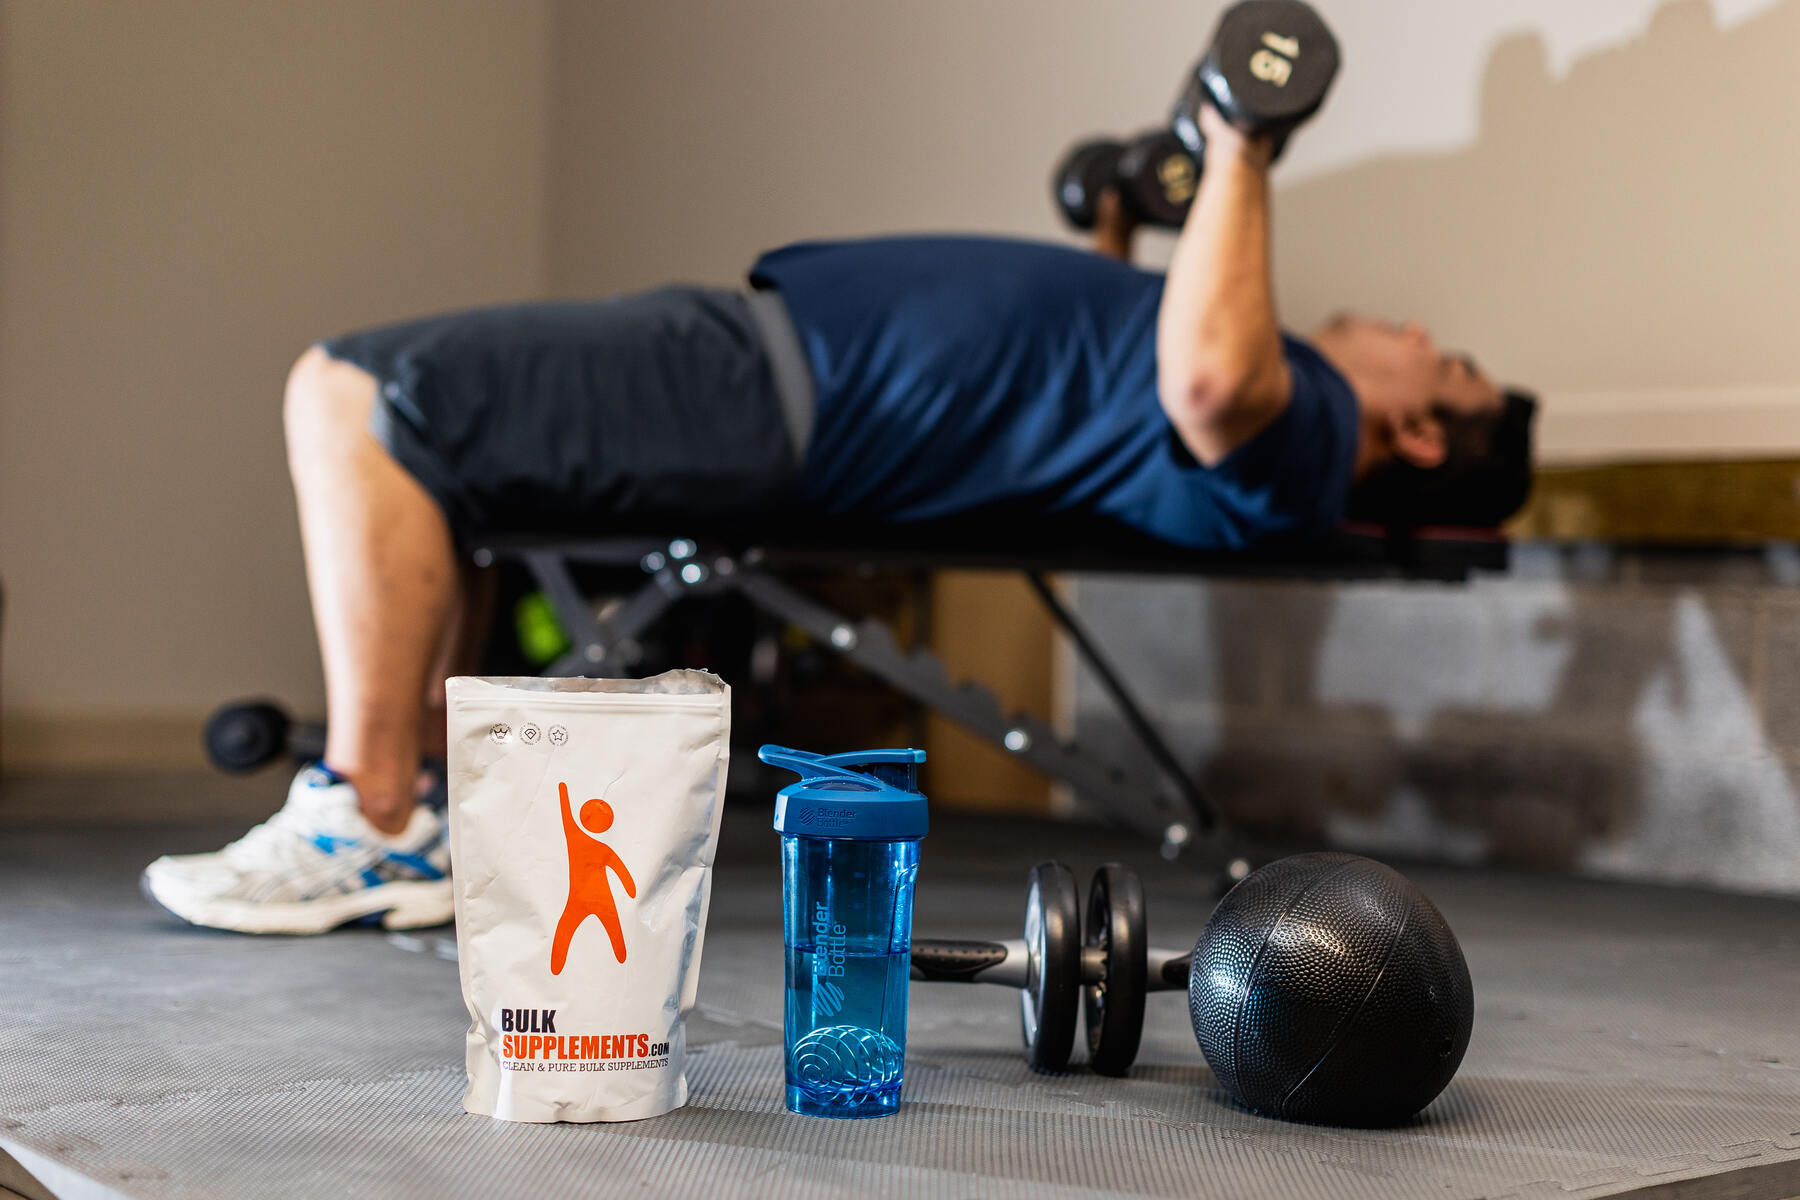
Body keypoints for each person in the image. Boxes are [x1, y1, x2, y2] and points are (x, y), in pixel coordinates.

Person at [141, 103, 1534, 934]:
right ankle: (413, 808)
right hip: (772, 374)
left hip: (771, 397)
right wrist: (1120, 224)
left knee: (356, 392)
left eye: (1443, 359)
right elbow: (1110, 373)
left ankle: (372, 812)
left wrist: (1242, 135)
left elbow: (1210, 372)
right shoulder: (1256, 421)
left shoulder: (1297, 425)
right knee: (422, 453)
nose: (1412, 328)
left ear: (1411, 433)